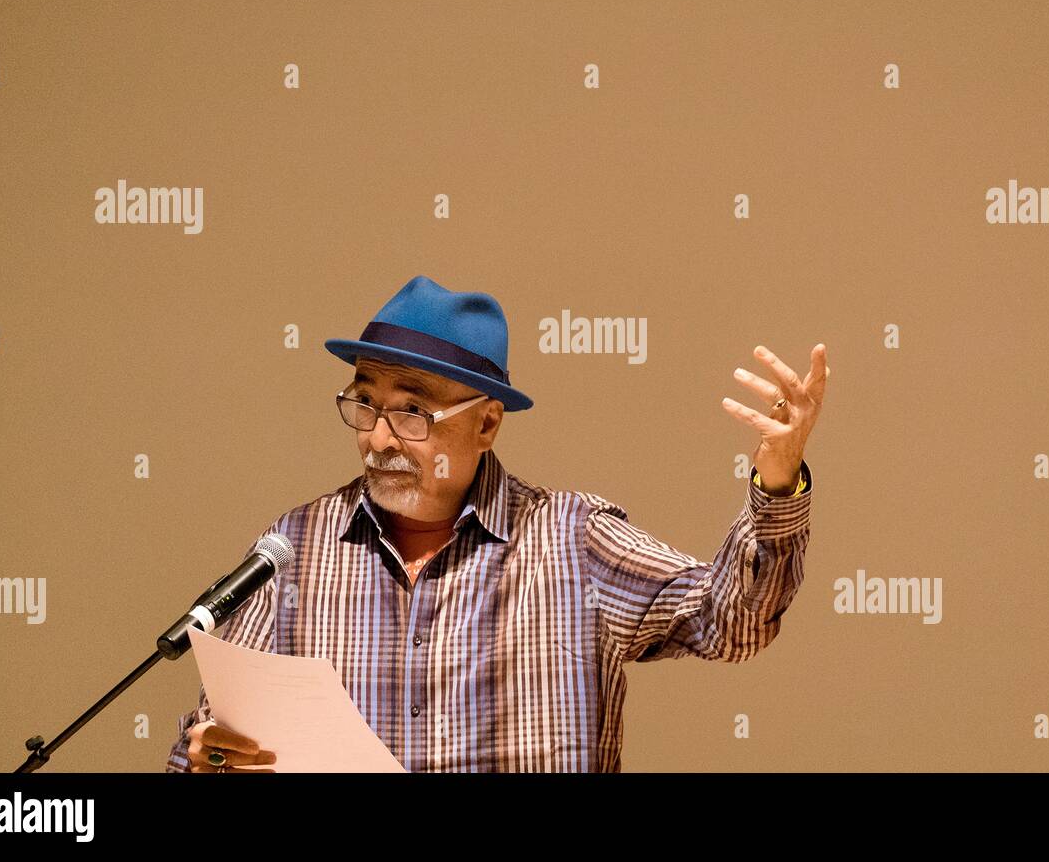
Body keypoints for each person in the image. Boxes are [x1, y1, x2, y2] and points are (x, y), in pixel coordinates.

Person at [165, 275, 829, 772]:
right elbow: (203, 746)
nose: (379, 438)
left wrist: (776, 481)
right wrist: (209, 763)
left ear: (486, 422)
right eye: (364, 403)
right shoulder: (297, 548)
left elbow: (732, 624)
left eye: (413, 411)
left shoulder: (574, 540)